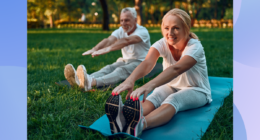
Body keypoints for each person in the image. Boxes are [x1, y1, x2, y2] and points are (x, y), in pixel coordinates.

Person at [105, 8, 212, 137]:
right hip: (171, 85)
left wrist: (148, 85)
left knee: (174, 100)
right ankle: (124, 119)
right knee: (154, 96)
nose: (170, 33)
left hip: (197, 90)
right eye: (166, 28)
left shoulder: (195, 47)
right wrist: (130, 80)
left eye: (176, 28)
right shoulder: (162, 43)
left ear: (187, 28)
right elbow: (147, 63)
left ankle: (140, 125)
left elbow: (176, 69)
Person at [64, 7, 151, 91]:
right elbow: (109, 40)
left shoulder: (142, 32)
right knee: (108, 68)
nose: (123, 23)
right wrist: (95, 49)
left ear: (135, 20)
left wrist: (109, 48)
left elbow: (127, 41)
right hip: (125, 60)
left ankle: (91, 82)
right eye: (121, 20)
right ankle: (81, 80)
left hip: (141, 62)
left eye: (127, 20)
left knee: (121, 70)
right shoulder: (121, 30)